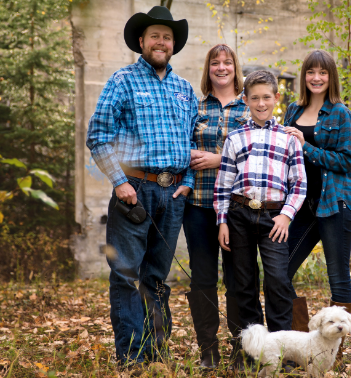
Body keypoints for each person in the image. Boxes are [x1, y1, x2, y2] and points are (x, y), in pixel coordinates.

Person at [85, 6, 197, 366]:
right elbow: (98, 136)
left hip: (173, 193)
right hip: (133, 190)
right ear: (141, 42)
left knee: (156, 277)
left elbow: (194, 142)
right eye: (154, 37)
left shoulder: (184, 90)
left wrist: (189, 183)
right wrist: (119, 182)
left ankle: (156, 352)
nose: (161, 42)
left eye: (167, 37)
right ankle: (132, 358)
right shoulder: (123, 80)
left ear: (173, 44)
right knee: (127, 276)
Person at [214, 70, 307, 365]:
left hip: (274, 218)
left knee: (278, 281)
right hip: (240, 215)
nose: (261, 103)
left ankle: (284, 352)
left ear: (277, 98)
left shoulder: (288, 138)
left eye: (267, 97)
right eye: (254, 98)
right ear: (245, 100)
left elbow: (299, 184)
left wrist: (286, 217)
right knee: (244, 284)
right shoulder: (236, 136)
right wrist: (223, 221)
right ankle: (251, 354)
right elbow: (224, 183)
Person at [183, 44, 261, 369]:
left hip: (237, 209)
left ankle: (240, 352)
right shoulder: (195, 108)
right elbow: (182, 146)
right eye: (215, 62)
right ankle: (208, 352)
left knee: (238, 279)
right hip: (200, 205)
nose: (221, 67)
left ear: (235, 67)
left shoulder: (249, 108)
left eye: (227, 62)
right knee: (202, 279)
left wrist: (217, 159)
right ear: (208, 69)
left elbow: (259, 156)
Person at [283, 49, 351, 363]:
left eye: (322, 73)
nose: (316, 78)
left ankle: (334, 355)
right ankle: (305, 345)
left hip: (335, 203)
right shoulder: (291, 110)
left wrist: (307, 146)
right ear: (304, 76)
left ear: (331, 77)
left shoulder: (340, 113)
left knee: (338, 276)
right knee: (278, 271)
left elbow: (345, 160)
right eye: (311, 72)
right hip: (302, 204)